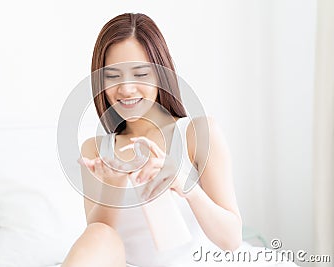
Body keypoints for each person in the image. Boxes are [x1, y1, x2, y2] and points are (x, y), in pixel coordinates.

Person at [62, 13, 298, 267]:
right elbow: (101, 236)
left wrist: (184, 184)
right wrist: (114, 184)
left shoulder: (197, 134)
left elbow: (231, 239)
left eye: (140, 74)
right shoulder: (96, 149)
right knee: (98, 233)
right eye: (112, 76)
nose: (126, 89)